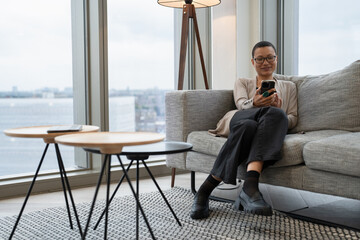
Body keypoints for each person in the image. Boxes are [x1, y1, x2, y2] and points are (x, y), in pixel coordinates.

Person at [190, 41, 298, 219]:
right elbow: (241, 105)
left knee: (262, 122)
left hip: (256, 127)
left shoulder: (289, 87)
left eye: (270, 57)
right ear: (253, 62)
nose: (265, 62)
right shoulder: (243, 82)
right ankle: (250, 189)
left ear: (276, 59)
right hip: (238, 119)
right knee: (251, 121)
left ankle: (205, 190)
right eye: (260, 59)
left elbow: (293, 118)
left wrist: (280, 112)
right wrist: (255, 104)